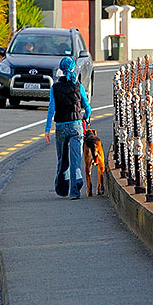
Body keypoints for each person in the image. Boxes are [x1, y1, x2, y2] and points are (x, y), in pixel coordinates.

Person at [45, 56, 91, 200]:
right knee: (76, 159)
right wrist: (85, 117)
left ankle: (62, 189)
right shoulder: (78, 86)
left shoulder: (55, 87)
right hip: (76, 125)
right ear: (73, 69)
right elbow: (87, 107)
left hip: (60, 127)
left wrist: (47, 129)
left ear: (61, 70)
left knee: (62, 159)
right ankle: (75, 191)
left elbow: (51, 109)